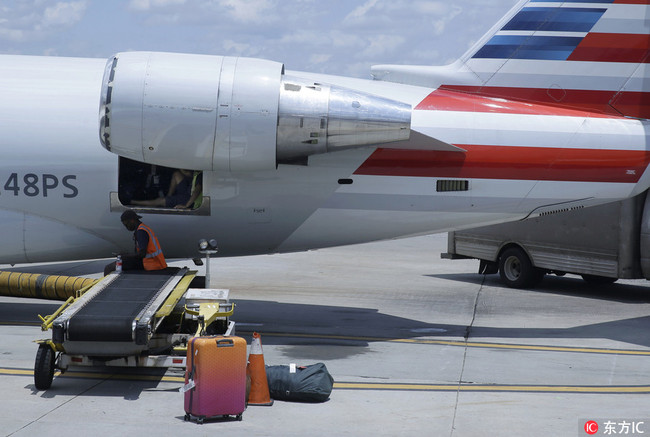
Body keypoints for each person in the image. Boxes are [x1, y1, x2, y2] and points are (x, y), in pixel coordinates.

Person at [104, 210, 167, 275]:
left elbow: (142, 254)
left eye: (126, 224)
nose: (126, 227)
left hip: (150, 264)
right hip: (154, 262)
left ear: (132, 220)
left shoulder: (141, 232)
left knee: (109, 267)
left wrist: (125, 256)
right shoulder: (143, 228)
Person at [132, 169, 202, 209]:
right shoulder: (197, 171)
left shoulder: (201, 176)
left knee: (161, 201)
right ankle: (169, 196)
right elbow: (188, 173)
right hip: (188, 191)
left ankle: (133, 202)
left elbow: (197, 191)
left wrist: (186, 205)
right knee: (176, 174)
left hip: (190, 199)